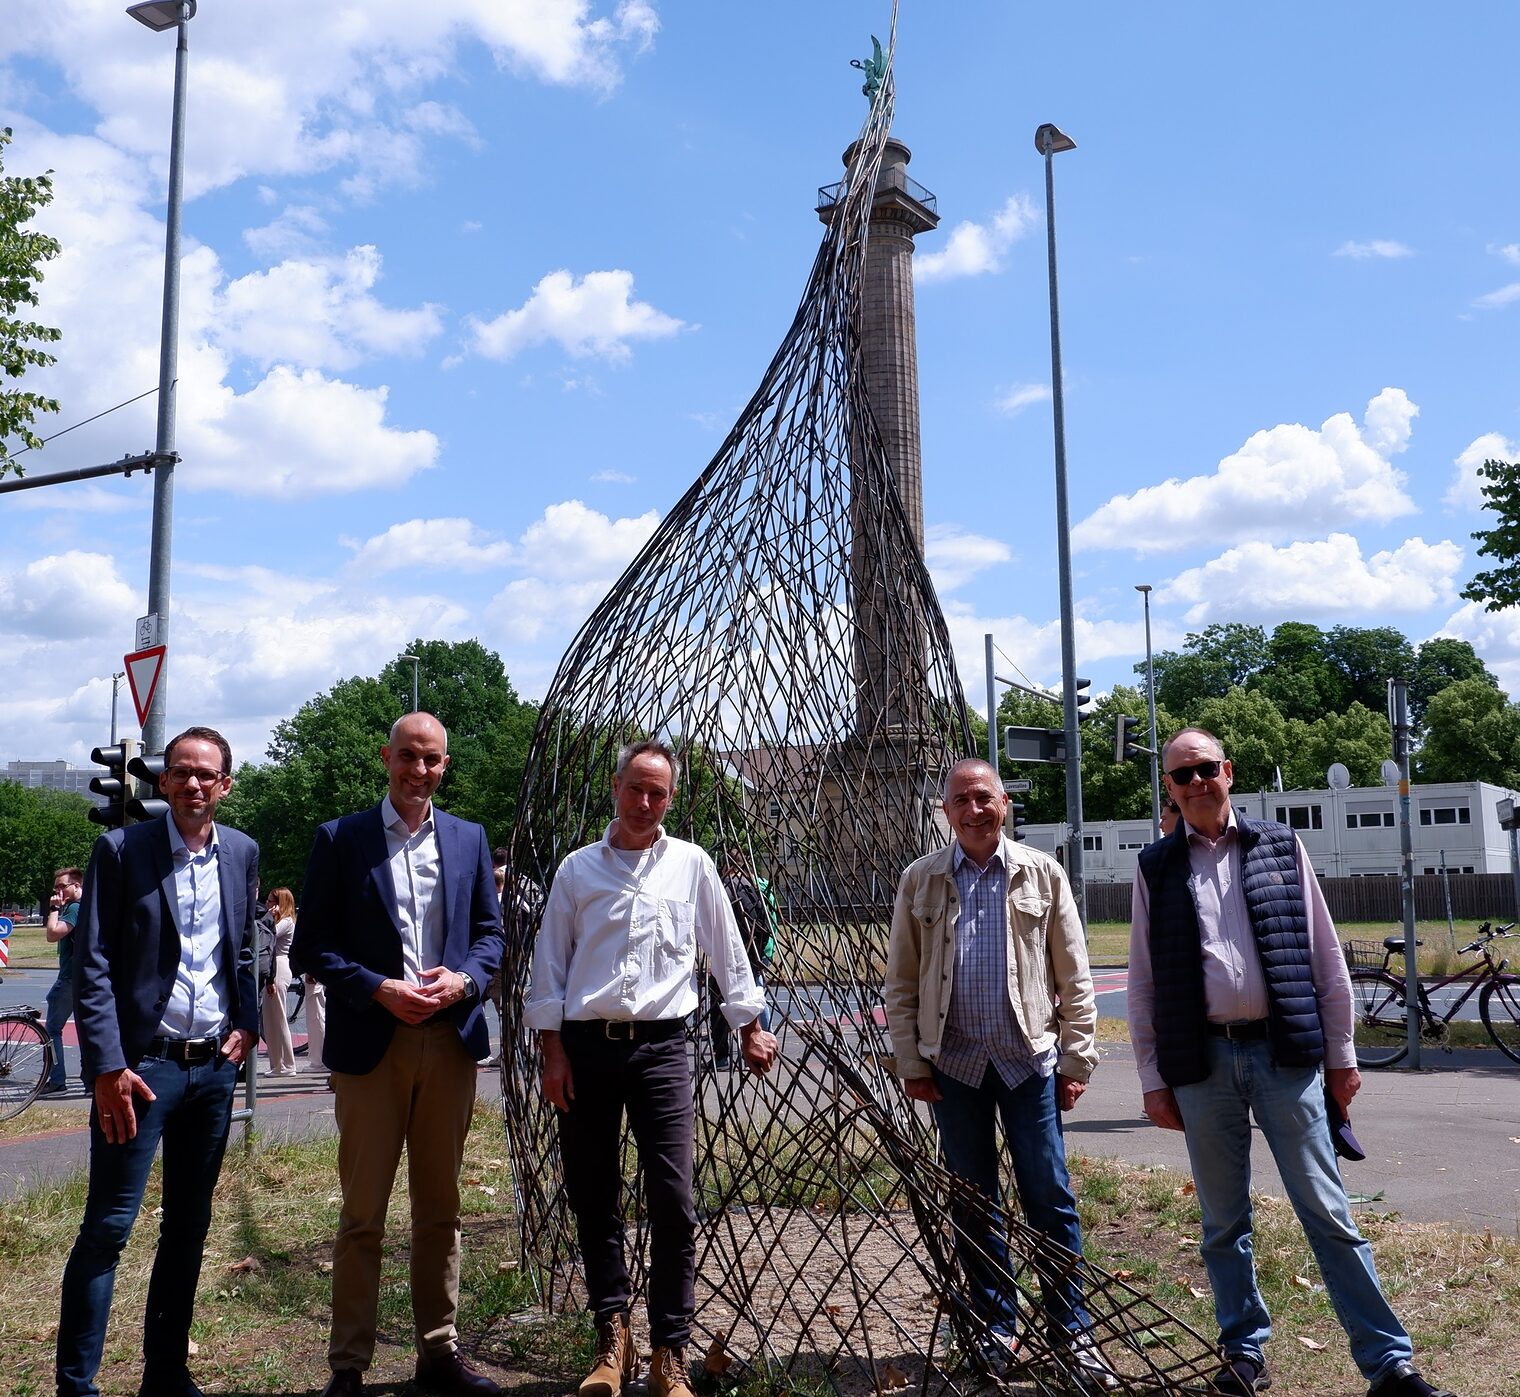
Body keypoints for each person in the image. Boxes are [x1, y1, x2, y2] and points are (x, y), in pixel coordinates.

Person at [1128, 727, 1454, 1397]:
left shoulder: (1279, 845)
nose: (1196, 783)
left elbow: (1324, 955)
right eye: (1181, 775)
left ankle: (1389, 1365)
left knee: (1328, 1212)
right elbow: (1143, 982)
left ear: (1230, 771)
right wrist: (1152, 1076)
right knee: (1223, 1221)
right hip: (1202, 1062)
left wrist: (1342, 1056)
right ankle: (1243, 1353)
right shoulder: (1154, 865)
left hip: (1285, 1056)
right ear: (1169, 787)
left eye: (1206, 769)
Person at [526, 740, 778, 1397]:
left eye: (657, 793)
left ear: (670, 799)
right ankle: (612, 1338)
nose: (644, 803)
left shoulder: (692, 865)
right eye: (635, 788)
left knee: (674, 1199)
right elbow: (549, 965)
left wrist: (749, 1026)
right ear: (615, 787)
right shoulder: (579, 869)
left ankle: (670, 1349)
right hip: (587, 1045)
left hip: (665, 1046)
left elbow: (726, 945)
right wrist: (552, 1052)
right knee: (593, 1193)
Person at [883, 758, 1114, 1389]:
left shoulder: (1042, 873)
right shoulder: (922, 879)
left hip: (1028, 1064)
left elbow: (1075, 974)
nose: (974, 809)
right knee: (973, 1199)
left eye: (984, 797)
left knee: (1049, 1197)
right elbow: (901, 983)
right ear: (947, 810)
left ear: (1004, 803)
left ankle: (1072, 1331)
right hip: (952, 1066)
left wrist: (1076, 1058)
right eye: (961, 800)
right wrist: (912, 1060)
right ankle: (995, 1325)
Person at [294, 711, 506, 1397]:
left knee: (440, 1210)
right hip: (371, 1046)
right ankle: (348, 1364)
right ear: (386, 756)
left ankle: (438, 1353)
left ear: (446, 765)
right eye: (408, 757)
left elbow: (490, 936)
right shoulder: (341, 838)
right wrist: (376, 987)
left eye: (433, 760)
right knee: (362, 1216)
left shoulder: (470, 840)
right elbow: (312, 947)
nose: (420, 771)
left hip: (449, 1044)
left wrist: (466, 979)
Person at [57, 725, 258, 1397]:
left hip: (213, 1072)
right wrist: (108, 1067)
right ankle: (75, 1386)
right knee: (108, 1228)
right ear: (163, 781)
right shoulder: (120, 849)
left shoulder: (242, 852)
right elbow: (92, 966)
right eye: (181, 772)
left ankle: (166, 1374)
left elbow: (247, 946)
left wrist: (249, 1023)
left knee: (188, 1226)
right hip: (140, 1072)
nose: (194, 783)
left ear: (225, 784)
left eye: (207, 773)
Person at [708, 848, 772, 1069]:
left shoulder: (723, 888)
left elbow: (714, 926)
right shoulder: (756, 889)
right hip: (752, 955)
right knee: (755, 994)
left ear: (727, 866)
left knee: (718, 1006)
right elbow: (766, 926)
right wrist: (756, 953)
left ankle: (722, 1055)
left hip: (727, 958)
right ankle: (764, 1041)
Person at [43, 864, 82, 1094]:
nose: (57, 892)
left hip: (70, 979)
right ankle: (90, 1082)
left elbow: (52, 934)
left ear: (76, 885)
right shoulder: (87, 905)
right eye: (55, 887)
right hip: (84, 977)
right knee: (87, 1031)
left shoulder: (74, 908)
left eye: (62, 887)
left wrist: (53, 908)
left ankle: (57, 1081)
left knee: (52, 1030)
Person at [260, 887, 297, 1076]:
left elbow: (268, 933)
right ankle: (277, 1064)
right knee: (270, 1018)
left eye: (270, 901)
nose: (267, 904)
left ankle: (287, 1064)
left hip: (280, 966)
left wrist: (267, 915)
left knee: (279, 1017)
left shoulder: (287, 921)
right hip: (275, 966)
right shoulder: (281, 920)